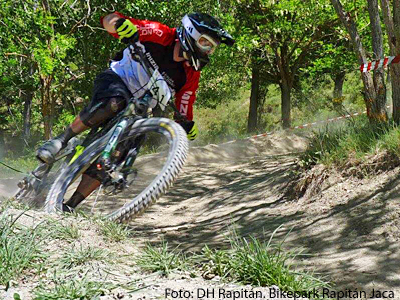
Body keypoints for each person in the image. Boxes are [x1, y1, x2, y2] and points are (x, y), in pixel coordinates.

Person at [36, 11, 235, 211]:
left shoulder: (191, 74)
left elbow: (185, 104)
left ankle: (70, 206)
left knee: (117, 154)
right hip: (117, 80)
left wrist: (188, 124)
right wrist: (119, 24)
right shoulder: (160, 34)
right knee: (114, 103)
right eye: (205, 43)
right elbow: (110, 20)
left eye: (212, 48)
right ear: (191, 34)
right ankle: (60, 140)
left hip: (141, 107)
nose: (208, 51)